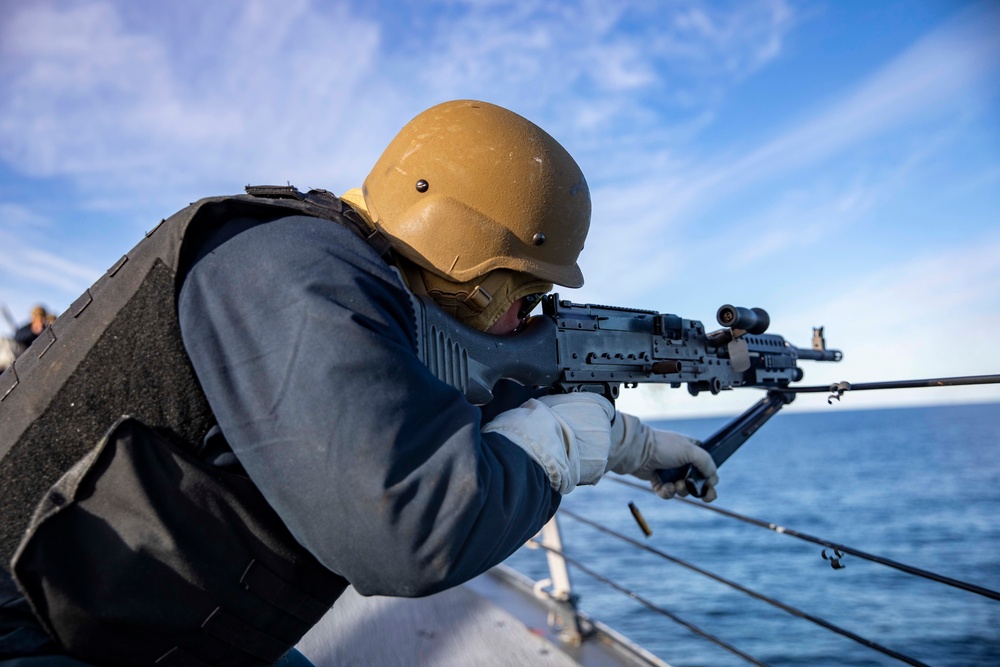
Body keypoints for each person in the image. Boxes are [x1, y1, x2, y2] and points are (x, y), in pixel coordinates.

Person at [0, 100, 718, 666]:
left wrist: (633, 441)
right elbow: (411, 531)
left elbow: (433, 396)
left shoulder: (349, 282)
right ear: (473, 270)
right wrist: (568, 439)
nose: (525, 321)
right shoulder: (290, 270)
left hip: (129, 630)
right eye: (522, 299)